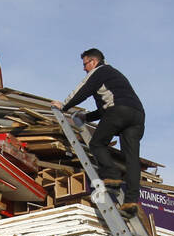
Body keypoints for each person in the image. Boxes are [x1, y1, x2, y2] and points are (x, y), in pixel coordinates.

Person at [51, 48, 146, 215]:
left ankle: (112, 175)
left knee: (97, 143)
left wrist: (64, 106)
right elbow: (105, 108)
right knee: (131, 159)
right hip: (137, 115)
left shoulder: (99, 72)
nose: (84, 68)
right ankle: (131, 202)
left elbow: (83, 90)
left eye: (85, 64)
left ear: (93, 62)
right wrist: (86, 117)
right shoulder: (114, 75)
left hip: (119, 111)